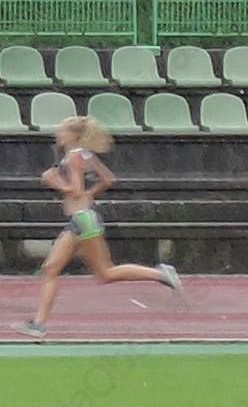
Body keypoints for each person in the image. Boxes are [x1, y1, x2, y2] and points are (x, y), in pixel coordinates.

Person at [14, 116, 182, 338]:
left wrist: (54, 182)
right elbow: (108, 179)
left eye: (62, 131)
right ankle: (38, 324)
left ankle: (160, 274)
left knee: (105, 273)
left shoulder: (73, 157)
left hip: (83, 220)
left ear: (73, 135)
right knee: (51, 268)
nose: (58, 134)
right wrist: (89, 194)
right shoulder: (86, 155)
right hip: (81, 219)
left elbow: (75, 190)